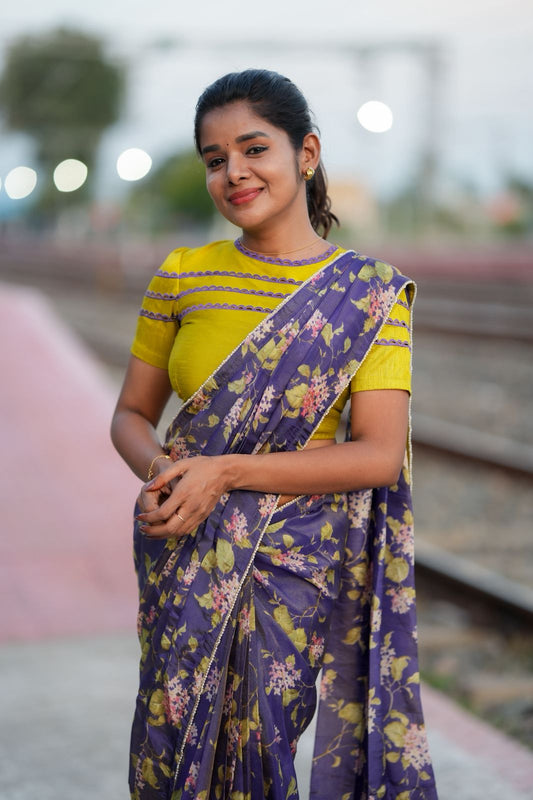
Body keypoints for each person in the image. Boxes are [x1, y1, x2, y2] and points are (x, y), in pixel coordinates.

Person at [111, 69, 438, 800]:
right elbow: (129, 415)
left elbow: (378, 454)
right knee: (167, 744)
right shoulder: (182, 276)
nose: (234, 173)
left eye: (253, 148)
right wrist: (166, 471)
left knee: (262, 752)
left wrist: (222, 473)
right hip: (183, 545)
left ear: (306, 153)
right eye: (214, 159)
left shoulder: (368, 291)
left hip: (289, 564)